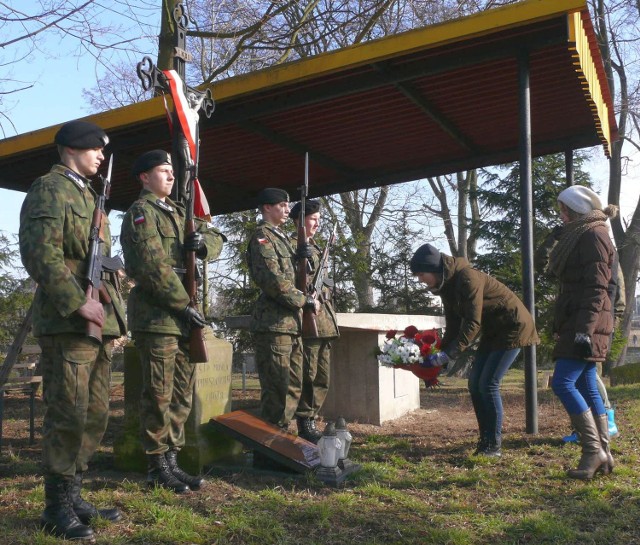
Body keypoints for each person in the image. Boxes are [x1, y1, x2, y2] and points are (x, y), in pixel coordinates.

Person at [19, 120, 127, 540]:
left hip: (96, 319)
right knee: (68, 412)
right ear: (71, 149)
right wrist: (77, 300)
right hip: (68, 320)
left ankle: (74, 491)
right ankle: (55, 505)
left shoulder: (87, 194)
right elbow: (38, 251)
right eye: (95, 149)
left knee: (96, 411)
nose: (101, 156)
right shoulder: (50, 188)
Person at [120, 150, 225, 493]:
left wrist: (202, 244)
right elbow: (150, 266)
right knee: (158, 394)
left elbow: (215, 236)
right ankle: (156, 465)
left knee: (181, 392)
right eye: (162, 171)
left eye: (171, 170)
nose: (170, 176)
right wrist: (183, 305)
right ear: (144, 177)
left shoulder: (179, 213)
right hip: (159, 316)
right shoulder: (141, 213)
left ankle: (173, 461)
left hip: (184, 318)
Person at [410, 244, 539, 457]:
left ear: (433, 269)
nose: (420, 280)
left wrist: (449, 354)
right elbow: (453, 325)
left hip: (513, 328)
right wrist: (439, 356)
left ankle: (493, 445)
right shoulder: (447, 285)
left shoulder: (467, 278)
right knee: (474, 383)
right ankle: (485, 441)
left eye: (421, 274)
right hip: (493, 331)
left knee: (488, 384)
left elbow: (472, 322)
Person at [541, 185, 618, 480]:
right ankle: (604, 454)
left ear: (574, 210)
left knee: (562, 382)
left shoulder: (592, 235)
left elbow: (597, 288)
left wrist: (584, 331)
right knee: (586, 383)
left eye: (563, 210)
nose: (560, 215)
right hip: (582, 320)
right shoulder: (583, 234)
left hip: (585, 323)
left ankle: (592, 451)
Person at [246, 188, 314, 432]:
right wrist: (302, 300)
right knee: (277, 388)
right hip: (274, 324)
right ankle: (270, 444)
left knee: (293, 384)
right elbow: (273, 280)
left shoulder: (283, 238)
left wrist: (302, 258)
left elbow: (296, 276)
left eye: (288, 205)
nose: (288, 210)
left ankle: (281, 439)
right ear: (266, 207)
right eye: (282, 205)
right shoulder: (262, 237)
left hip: (291, 323)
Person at [289, 200, 340, 443]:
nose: (317, 223)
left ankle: (312, 416)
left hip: (324, 321)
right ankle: (304, 420)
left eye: (319, 219)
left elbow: (324, 283)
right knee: (307, 374)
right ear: (299, 221)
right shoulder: (291, 246)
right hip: (307, 320)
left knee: (322, 376)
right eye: (312, 219)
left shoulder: (317, 248)